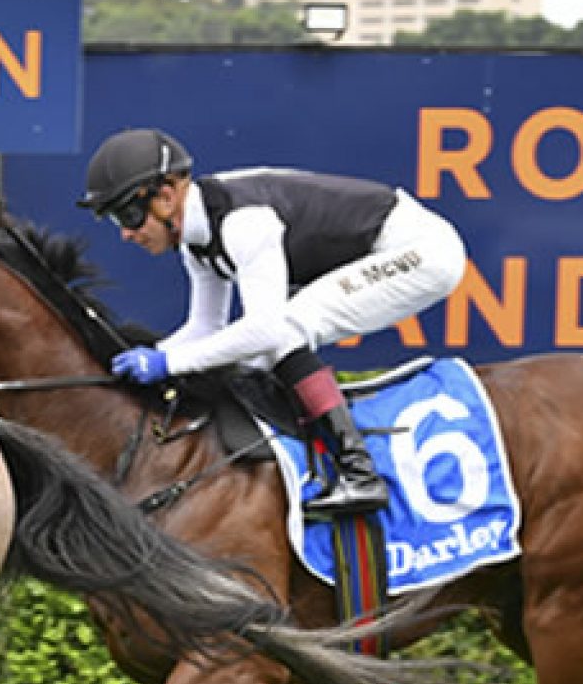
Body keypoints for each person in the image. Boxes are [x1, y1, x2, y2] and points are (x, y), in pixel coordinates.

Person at [77, 127, 468, 517]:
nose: (127, 233)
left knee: (284, 333)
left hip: (422, 252)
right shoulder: (197, 242)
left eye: (128, 215)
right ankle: (304, 458)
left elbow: (265, 328)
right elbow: (204, 330)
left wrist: (168, 364)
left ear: (166, 195)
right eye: (116, 221)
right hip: (383, 249)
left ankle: (359, 472)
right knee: (256, 356)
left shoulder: (242, 223)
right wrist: (147, 357)